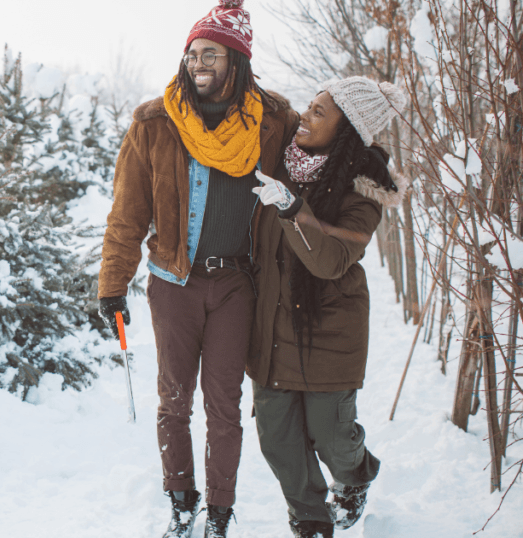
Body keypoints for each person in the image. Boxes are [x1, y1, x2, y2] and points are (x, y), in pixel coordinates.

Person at [97, 1, 298, 536]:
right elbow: (127, 213)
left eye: (211, 52)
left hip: (237, 284)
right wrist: (112, 285)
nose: (197, 62)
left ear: (237, 60)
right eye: (191, 53)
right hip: (174, 283)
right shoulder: (155, 122)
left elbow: (319, 156)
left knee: (224, 406)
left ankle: (220, 514)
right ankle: (181, 503)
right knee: (174, 400)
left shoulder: (272, 122)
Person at [248, 76, 408, 538]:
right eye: (309, 106)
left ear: (347, 130)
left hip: (330, 328)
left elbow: (332, 260)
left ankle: (355, 475)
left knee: (331, 435)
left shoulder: (365, 186)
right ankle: (310, 519)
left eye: (320, 112)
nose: (305, 116)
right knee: (277, 438)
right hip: (273, 326)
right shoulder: (280, 164)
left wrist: (290, 208)